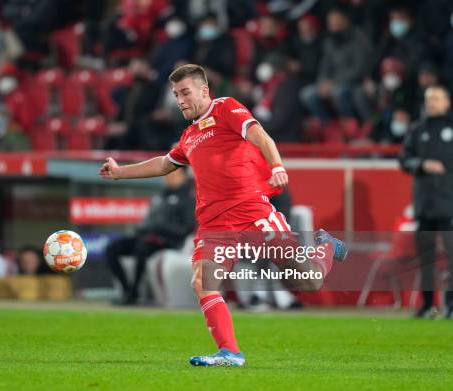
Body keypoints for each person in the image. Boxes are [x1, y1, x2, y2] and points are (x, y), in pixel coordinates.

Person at [100, 64, 348, 366]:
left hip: (252, 212)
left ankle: (326, 246)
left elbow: (261, 136)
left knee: (308, 281)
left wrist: (278, 167)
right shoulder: (189, 135)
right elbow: (165, 164)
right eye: (177, 95)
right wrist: (120, 172)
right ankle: (230, 352)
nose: (180, 100)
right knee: (203, 282)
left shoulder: (226, 108)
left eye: (186, 93)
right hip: (214, 224)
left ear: (204, 91)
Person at [399, 85, 453, 319]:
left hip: (449, 204)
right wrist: (421, 165)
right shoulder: (416, 129)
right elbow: (404, 159)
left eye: (437, 98)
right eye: (429, 98)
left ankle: (451, 305)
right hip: (424, 206)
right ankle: (428, 305)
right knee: (426, 260)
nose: (432, 103)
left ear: (447, 103)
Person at [106, 166, 195, 305]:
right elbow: (148, 220)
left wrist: (160, 227)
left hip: (169, 241)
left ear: (184, 175)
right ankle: (127, 290)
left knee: (142, 247)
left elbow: (186, 228)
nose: (169, 176)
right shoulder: (161, 196)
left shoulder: (188, 199)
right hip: (147, 237)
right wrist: (143, 227)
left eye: (174, 174)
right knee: (112, 248)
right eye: (168, 174)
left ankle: (134, 291)